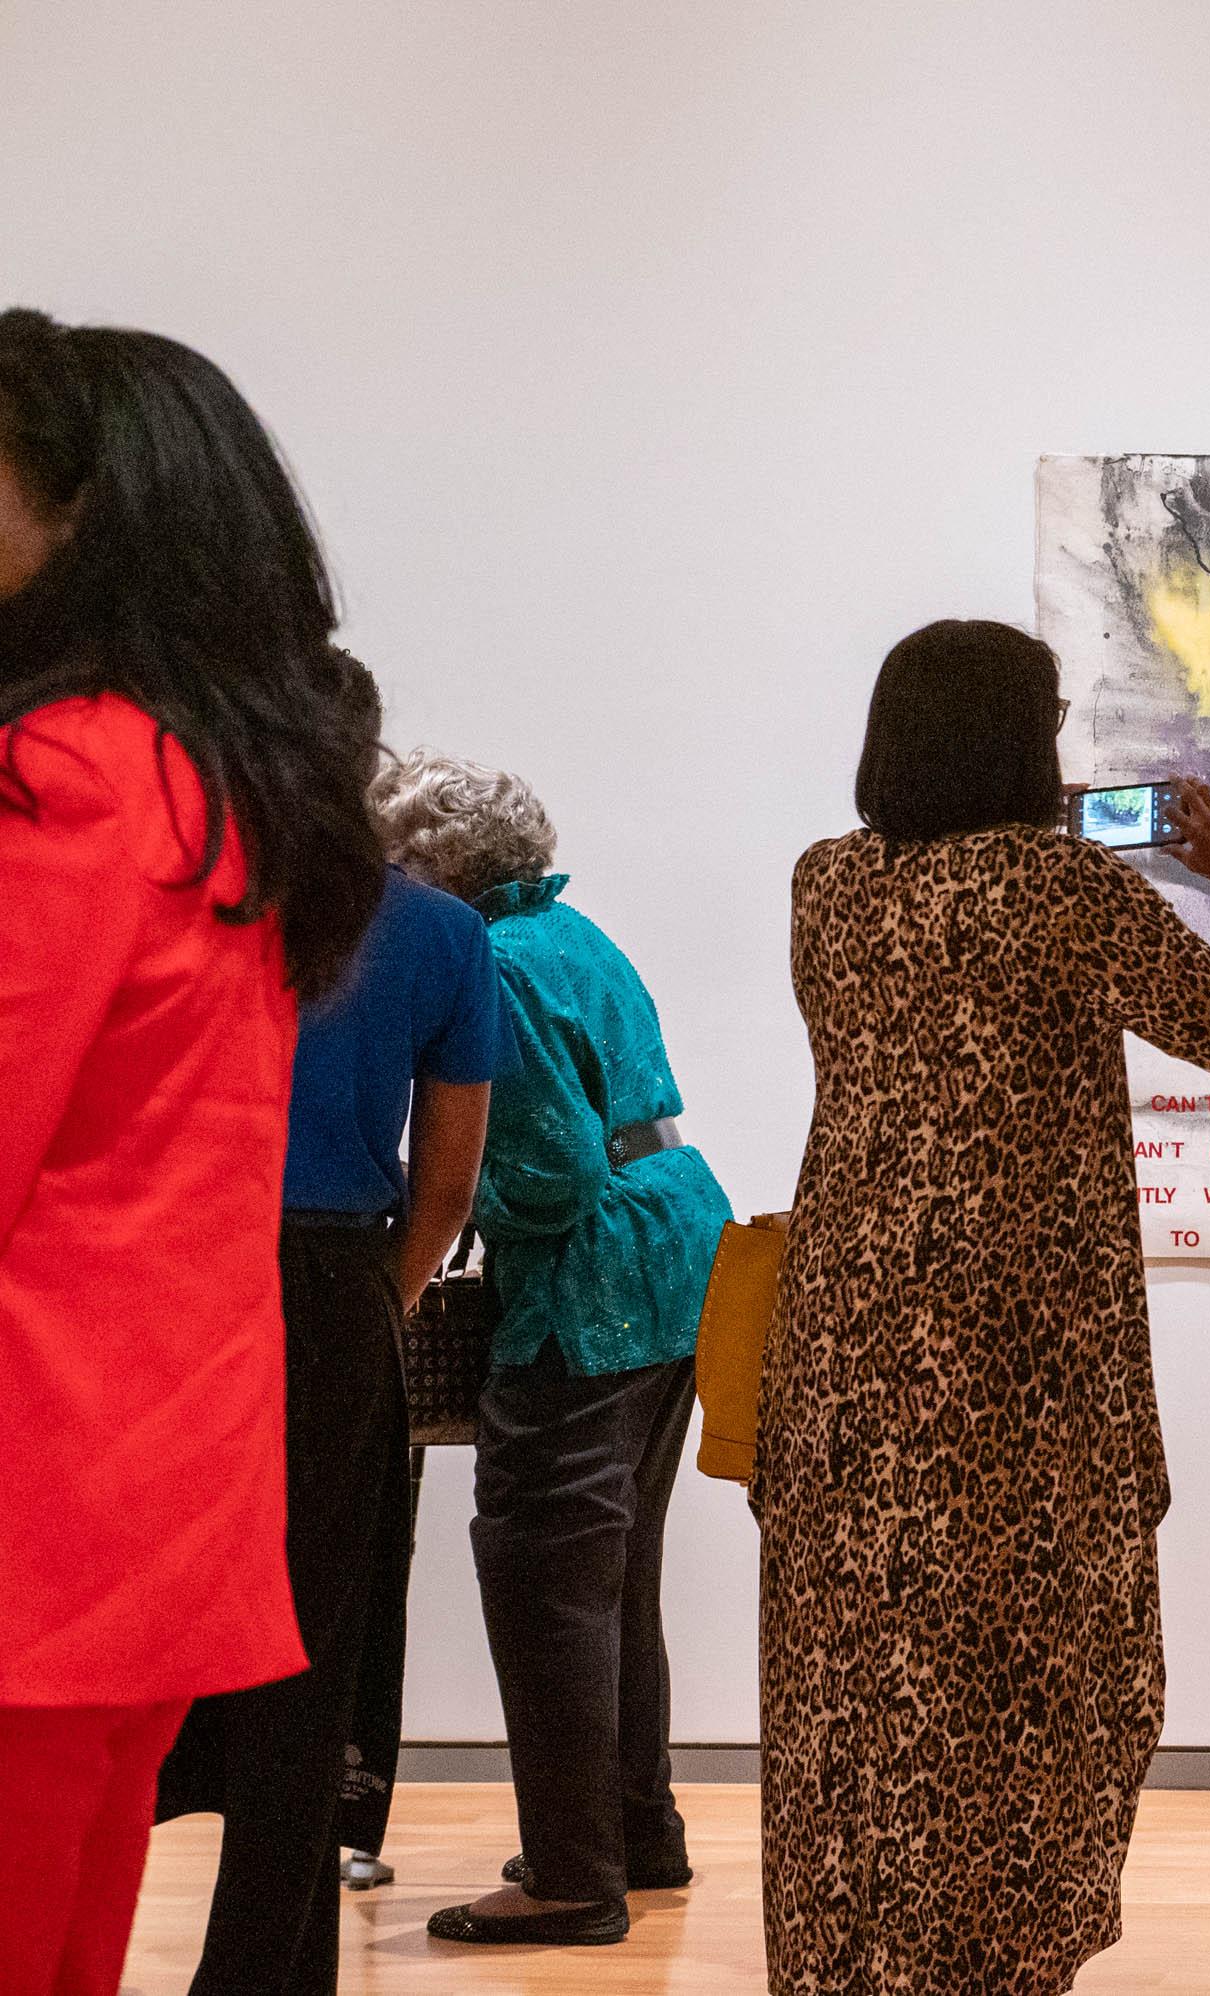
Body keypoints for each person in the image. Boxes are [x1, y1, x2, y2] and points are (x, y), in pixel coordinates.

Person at [760, 619, 1210, 1995]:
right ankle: (997, 1952)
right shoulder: (1060, 892)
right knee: (1023, 1670)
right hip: (1013, 1349)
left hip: (844, 1340)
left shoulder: (826, 887)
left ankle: (852, 1957)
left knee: (860, 1669)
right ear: (1027, 741)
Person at [0, 309, 384, 1996]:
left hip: (35, 1483)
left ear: (74, 513)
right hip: (146, 1493)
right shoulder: (211, 791)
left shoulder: (63, 778)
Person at [149, 654, 504, 1995]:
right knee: (310, 1630)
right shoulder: (438, 933)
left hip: (181, 1277)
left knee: (134, 1609)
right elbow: (451, 1176)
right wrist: (381, 1296)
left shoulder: (194, 900)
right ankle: (269, 1968)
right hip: (336, 1283)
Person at [372, 751, 732, 1949]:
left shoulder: (494, 959)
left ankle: (575, 1878)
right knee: (614, 1572)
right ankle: (637, 1828)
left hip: (594, 1282)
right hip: (676, 1253)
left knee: (541, 1568)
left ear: (441, 866)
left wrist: (438, 1227)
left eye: (396, 860)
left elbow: (546, 1170)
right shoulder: (569, 932)